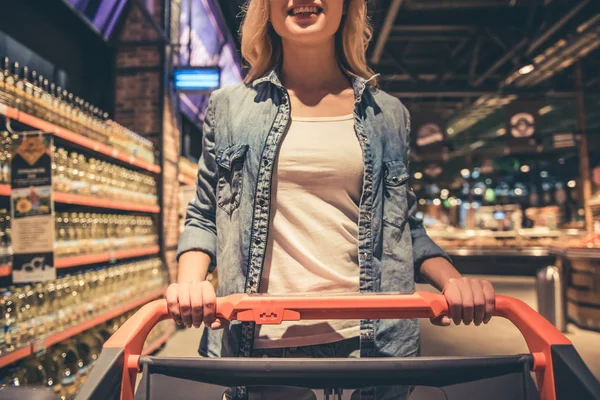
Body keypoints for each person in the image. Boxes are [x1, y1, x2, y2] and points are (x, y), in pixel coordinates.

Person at [169, 0, 496, 399]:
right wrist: (191, 283)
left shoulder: (388, 115)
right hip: (262, 340)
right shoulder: (230, 109)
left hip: (372, 341)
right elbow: (205, 216)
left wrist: (456, 284)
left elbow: (402, 225)